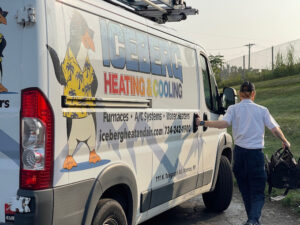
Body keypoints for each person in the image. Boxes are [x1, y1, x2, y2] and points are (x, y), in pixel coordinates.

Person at [196, 81, 290, 225]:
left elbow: (223, 124)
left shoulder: (233, 109)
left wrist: (203, 123)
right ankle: (252, 220)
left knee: (245, 191)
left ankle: (251, 221)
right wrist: (284, 141)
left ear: (240, 94)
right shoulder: (262, 110)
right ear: (253, 94)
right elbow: (274, 129)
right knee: (258, 192)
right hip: (255, 156)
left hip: (239, 155)